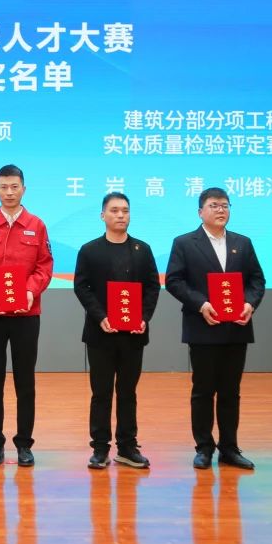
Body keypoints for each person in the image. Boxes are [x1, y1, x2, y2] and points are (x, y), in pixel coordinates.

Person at [165, 187, 265, 470]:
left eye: (225, 205)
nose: (221, 210)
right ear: (200, 212)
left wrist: (250, 304)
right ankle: (204, 447)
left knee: (231, 391)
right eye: (214, 205)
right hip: (203, 326)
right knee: (203, 390)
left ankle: (229, 448)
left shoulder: (242, 243)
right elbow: (174, 281)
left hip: (236, 327)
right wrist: (201, 304)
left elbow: (257, 280)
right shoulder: (185, 243)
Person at [0, 164, 54, 467]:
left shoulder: (37, 225)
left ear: (24, 189)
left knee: (25, 380)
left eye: (15, 187)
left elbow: (45, 266)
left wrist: (30, 291)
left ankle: (24, 444)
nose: (9, 192)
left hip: (27, 313)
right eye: (4, 187)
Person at [73, 192, 160, 470]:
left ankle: (127, 446)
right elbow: (81, 287)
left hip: (133, 334)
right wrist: (100, 317)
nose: (120, 215)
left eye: (125, 210)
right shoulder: (90, 250)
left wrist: (144, 317)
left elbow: (152, 287)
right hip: (101, 333)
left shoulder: (142, 249)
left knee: (127, 392)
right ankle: (100, 448)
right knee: (100, 393)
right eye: (114, 210)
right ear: (103, 215)